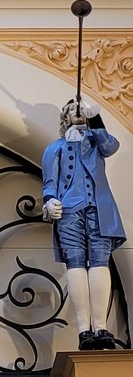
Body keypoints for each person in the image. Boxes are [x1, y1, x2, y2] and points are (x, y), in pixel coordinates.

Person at [42, 100, 125, 350]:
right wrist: (49, 202)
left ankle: (101, 327)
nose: (76, 112)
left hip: (100, 209)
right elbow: (49, 181)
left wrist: (97, 118)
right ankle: (84, 331)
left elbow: (111, 146)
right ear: (65, 117)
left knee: (100, 262)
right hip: (69, 211)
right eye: (71, 109)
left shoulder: (96, 143)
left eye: (80, 110)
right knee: (75, 263)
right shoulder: (55, 148)